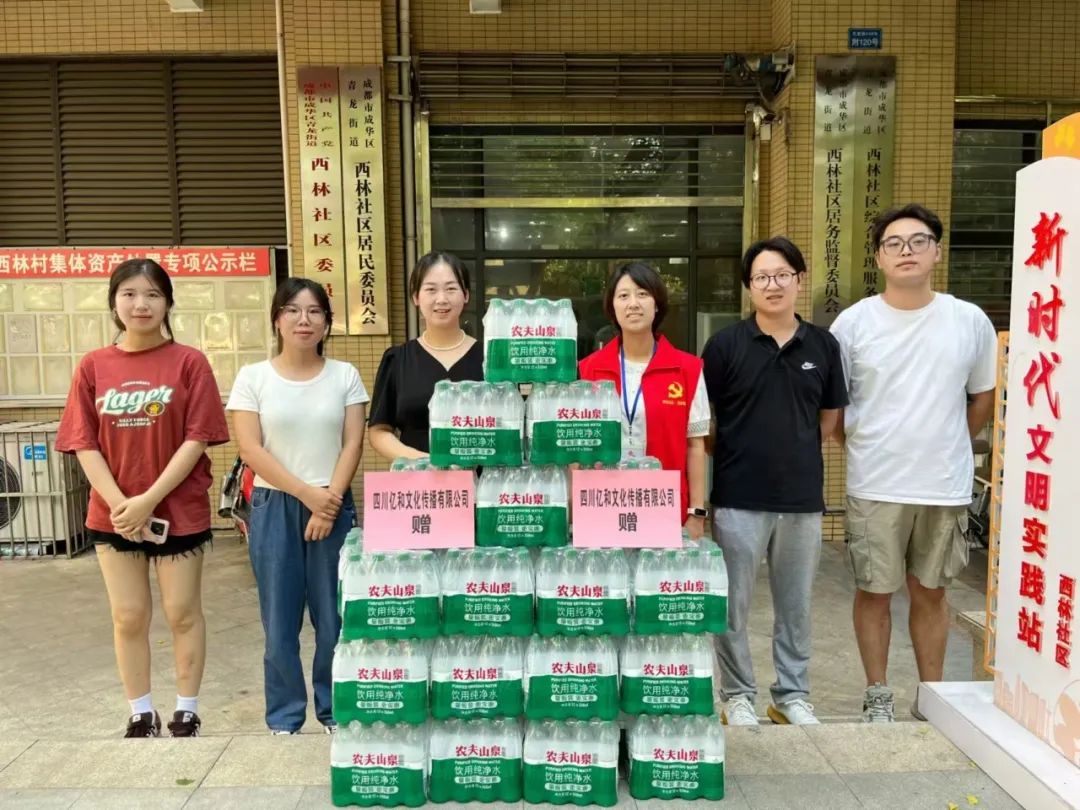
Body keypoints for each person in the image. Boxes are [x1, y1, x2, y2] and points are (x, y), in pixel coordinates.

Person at [830, 204, 997, 722]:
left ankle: (931, 696)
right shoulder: (853, 324)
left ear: (937, 251)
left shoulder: (968, 320)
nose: (907, 251)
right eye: (894, 243)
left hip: (942, 485)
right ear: (879, 257)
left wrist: (950, 443)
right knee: (874, 591)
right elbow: (834, 408)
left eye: (918, 241)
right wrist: (862, 444)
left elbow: (983, 397)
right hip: (876, 482)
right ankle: (877, 695)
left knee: (931, 592)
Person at [55, 258, 229, 738]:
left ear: (168, 303)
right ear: (114, 303)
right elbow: (83, 442)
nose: (141, 304)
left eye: (153, 294)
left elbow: (197, 438)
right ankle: (140, 711)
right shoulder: (93, 366)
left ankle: (187, 709)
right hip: (114, 515)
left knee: (182, 612)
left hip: (178, 509)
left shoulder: (189, 362)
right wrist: (122, 505)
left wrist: (148, 499)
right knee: (128, 615)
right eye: (129, 294)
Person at [701, 237, 847, 726]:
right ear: (749, 286)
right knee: (732, 605)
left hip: (801, 499)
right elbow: (706, 421)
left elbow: (828, 419)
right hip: (738, 496)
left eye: (782, 274)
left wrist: (792, 450)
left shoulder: (823, 345)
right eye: (762, 277)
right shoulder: (724, 346)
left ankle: (791, 695)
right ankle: (737, 695)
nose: (773, 284)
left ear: (799, 279)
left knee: (795, 604)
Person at [227, 278, 368, 734]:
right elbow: (251, 448)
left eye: (314, 311)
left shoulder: (344, 375)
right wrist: (307, 496)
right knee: (279, 621)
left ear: (327, 322)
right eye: (292, 310)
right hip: (275, 505)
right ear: (277, 319)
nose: (303, 320)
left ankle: (334, 709)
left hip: (333, 501)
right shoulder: (253, 377)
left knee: (335, 617)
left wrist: (328, 505)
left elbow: (352, 443)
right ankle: (285, 715)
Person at [578, 261, 709, 538]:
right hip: (603, 507)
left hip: (664, 509)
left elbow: (695, 446)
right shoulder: (588, 370)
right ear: (612, 307)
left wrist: (696, 513)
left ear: (657, 304)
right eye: (623, 296)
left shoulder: (687, 369)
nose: (633, 304)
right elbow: (576, 450)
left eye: (642, 294)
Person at [368, 251, 483, 461]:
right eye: (431, 289)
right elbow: (379, 431)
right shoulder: (398, 360)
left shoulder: (490, 359)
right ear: (416, 297)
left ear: (465, 295)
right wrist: (423, 462)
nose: (442, 299)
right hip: (419, 478)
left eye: (451, 289)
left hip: (482, 478)